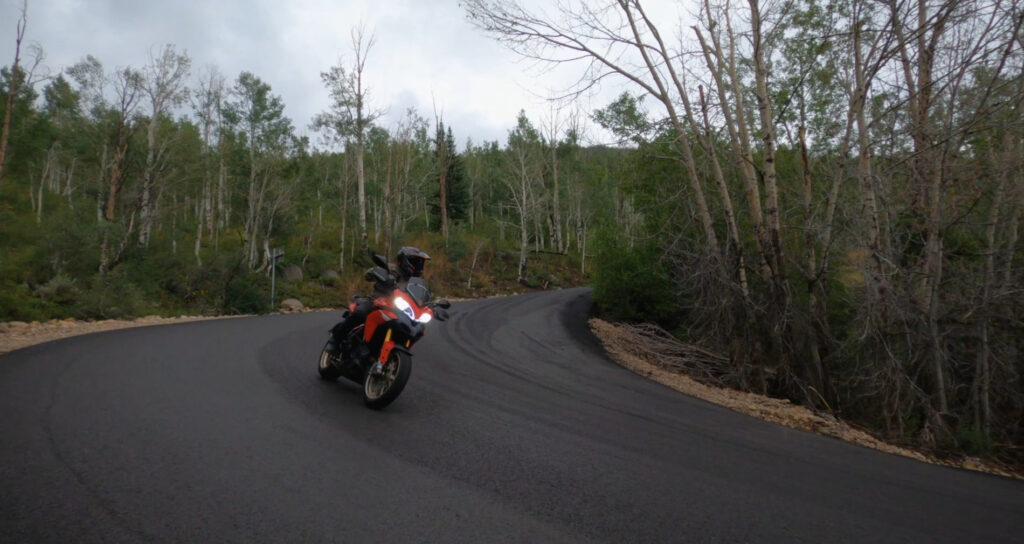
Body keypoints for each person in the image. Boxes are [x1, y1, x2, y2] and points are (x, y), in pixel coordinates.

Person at [327, 247, 431, 360]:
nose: (419, 266)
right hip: (377, 301)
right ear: (404, 260)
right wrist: (378, 273)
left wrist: (431, 305)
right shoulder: (390, 268)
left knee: (415, 328)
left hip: (399, 309)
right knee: (360, 314)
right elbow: (368, 275)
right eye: (416, 262)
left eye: (421, 263)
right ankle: (335, 339)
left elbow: (422, 297)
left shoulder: (416, 282)